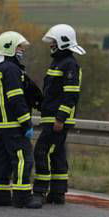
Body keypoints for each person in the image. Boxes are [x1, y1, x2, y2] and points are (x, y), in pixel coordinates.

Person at [0, 31, 42, 209]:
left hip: (0, 125)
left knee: (2, 161)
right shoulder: (11, 70)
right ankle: (22, 197)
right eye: (19, 47)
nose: (22, 51)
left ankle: (0, 196)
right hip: (13, 125)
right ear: (10, 47)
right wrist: (26, 122)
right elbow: (16, 98)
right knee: (23, 159)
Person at [33, 24, 84, 204]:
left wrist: (60, 118)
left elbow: (70, 95)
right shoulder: (59, 62)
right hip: (52, 118)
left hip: (58, 119)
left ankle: (39, 192)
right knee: (57, 154)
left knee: (41, 152)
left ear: (63, 42)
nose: (51, 45)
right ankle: (57, 193)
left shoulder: (69, 64)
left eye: (54, 42)